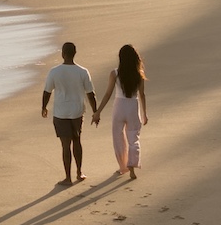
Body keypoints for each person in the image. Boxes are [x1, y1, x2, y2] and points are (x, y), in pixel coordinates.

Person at [41, 41, 98, 186]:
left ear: (62, 54)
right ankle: (79, 172)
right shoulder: (82, 71)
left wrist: (44, 107)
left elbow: (47, 91)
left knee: (65, 145)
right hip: (77, 112)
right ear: (74, 54)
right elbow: (91, 94)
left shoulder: (54, 71)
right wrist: (95, 111)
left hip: (60, 112)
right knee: (77, 141)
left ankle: (68, 177)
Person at [94, 44, 148, 180]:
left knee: (118, 138)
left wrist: (98, 112)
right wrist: (144, 114)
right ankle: (132, 167)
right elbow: (142, 95)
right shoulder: (139, 75)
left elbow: (107, 94)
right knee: (133, 138)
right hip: (132, 107)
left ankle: (122, 166)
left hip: (119, 106)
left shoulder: (115, 73)